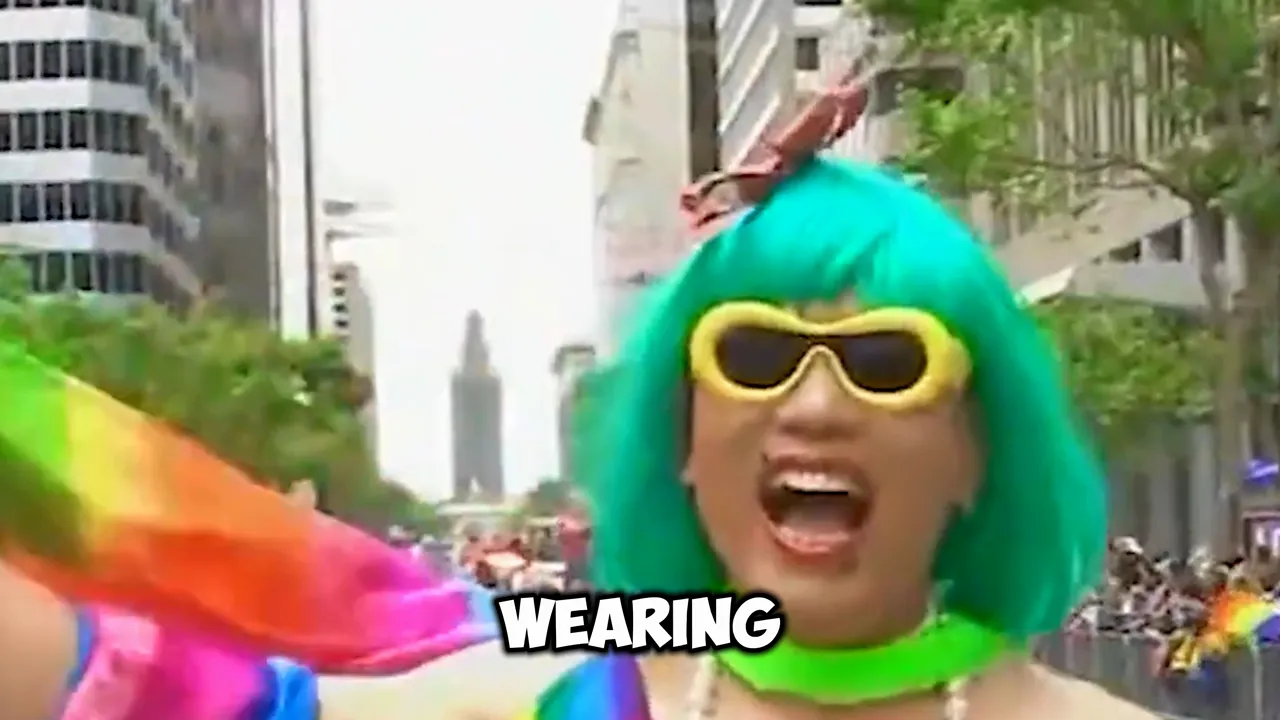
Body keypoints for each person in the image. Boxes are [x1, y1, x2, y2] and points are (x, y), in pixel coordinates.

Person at [0, 68, 1157, 720]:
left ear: (971, 450)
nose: (813, 406)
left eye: (886, 363)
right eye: (750, 358)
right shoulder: (566, 693)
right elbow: (176, 696)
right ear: (686, 443)